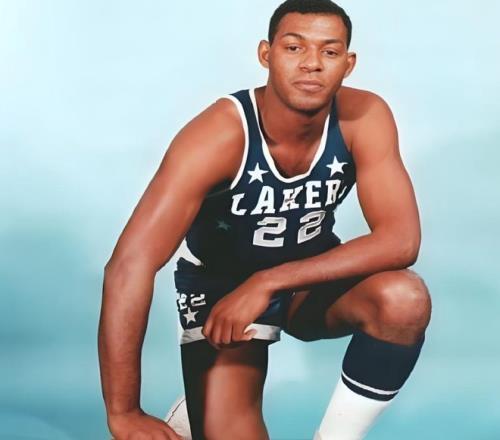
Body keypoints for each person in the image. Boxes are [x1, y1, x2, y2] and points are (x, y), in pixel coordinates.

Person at [98, 0, 432, 439]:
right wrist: (123, 411)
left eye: (329, 51)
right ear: (266, 54)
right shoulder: (218, 135)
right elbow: (129, 265)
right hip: (222, 290)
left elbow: (401, 240)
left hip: (306, 279)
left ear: (348, 64)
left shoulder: (363, 117)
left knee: (404, 299)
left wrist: (269, 281)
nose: (312, 63)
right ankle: (201, 412)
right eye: (294, 48)